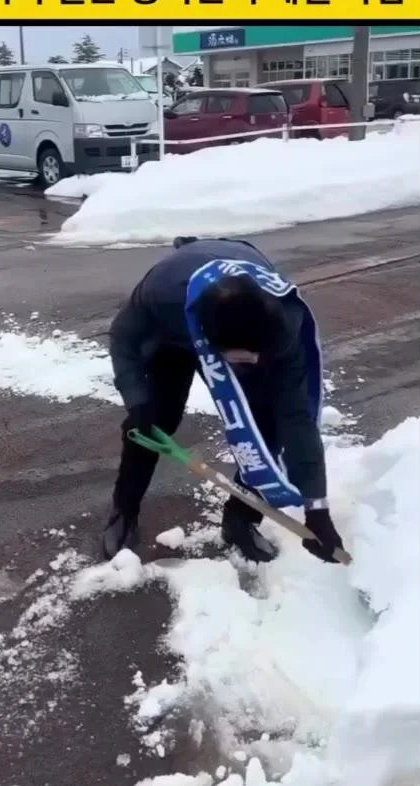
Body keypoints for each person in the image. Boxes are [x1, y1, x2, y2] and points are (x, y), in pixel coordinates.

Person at [104, 236, 344, 565]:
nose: (248, 368)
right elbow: (123, 338)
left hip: (236, 280)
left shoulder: (286, 325)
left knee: (267, 425)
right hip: (173, 335)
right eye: (240, 360)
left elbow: (297, 417)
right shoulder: (162, 292)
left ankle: (240, 520)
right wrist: (137, 401)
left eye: (254, 359)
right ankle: (124, 510)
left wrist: (317, 509)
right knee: (157, 419)